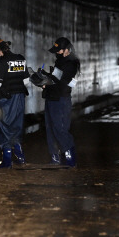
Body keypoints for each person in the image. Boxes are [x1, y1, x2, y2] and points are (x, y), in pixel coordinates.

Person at [0, 38, 30, 167]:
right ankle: (20, 157)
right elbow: (26, 81)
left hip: (6, 99)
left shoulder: (2, 62)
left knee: (4, 127)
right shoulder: (20, 58)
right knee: (17, 127)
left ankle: (7, 160)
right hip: (20, 97)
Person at [41, 37, 80, 167]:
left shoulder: (71, 63)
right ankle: (55, 158)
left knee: (60, 129)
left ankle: (70, 158)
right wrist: (44, 77)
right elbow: (55, 78)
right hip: (52, 98)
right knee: (50, 129)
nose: (57, 53)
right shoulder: (60, 61)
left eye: (59, 51)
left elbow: (62, 81)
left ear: (67, 50)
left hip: (60, 99)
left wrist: (48, 83)